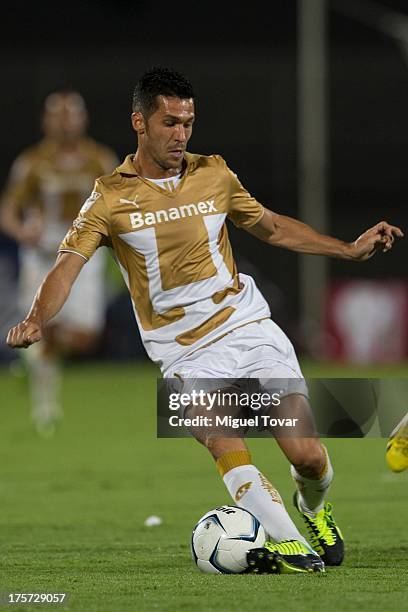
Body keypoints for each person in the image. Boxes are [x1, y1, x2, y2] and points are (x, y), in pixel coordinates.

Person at [6, 67, 403, 573]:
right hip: (183, 353)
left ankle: (313, 508)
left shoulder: (214, 174)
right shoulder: (109, 197)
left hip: (247, 327)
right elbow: (66, 265)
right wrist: (38, 318)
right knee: (220, 436)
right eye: (170, 122)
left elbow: (273, 227)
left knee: (307, 456)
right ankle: (290, 546)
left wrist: (347, 249)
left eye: (188, 123)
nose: (181, 134)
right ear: (139, 122)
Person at [1, 90, 118, 435]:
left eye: (72, 114)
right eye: (59, 114)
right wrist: (23, 232)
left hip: (85, 251)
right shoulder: (33, 162)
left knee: (86, 337)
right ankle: (46, 408)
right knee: (40, 328)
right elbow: (8, 209)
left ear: (83, 119)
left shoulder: (100, 158)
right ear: (46, 120)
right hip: (44, 252)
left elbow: (122, 204)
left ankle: (34, 356)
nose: (66, 121)